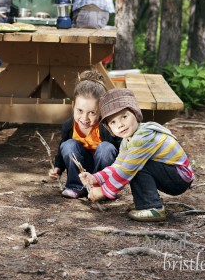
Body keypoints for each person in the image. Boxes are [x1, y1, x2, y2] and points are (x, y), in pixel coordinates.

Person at [79, 88, 195, 222]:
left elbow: (126, 170)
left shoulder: (142, 137)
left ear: (135, 113)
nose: (120, 125)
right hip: (170, 173)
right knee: (135, 164)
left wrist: (103, 191)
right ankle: (145, 201)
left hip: (179, 178)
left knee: (136, 166)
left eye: (124, 116)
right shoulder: (127, 140)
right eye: (113, 122)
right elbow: (118, 165)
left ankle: (152, 207)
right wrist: (95, 178)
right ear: (109, 128)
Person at [48, 70, 121, 199]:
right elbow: (61, 152)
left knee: (106, 148)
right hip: (82, 169)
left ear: (101, 111)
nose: (85, 118)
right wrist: (58, 168)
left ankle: (101, 189)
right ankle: (76, 187)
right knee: (68, 145)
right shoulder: (69, 126)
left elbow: (120, 153)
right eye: (80, 110)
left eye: (92, 112)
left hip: (102, 169)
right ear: (73, 106)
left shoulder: (107, 128)